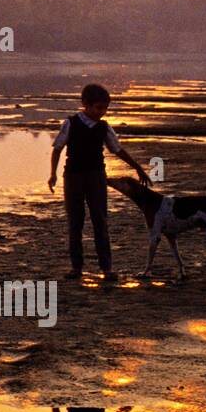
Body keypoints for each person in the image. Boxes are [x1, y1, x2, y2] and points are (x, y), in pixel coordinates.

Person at [48, 83, 150, 281]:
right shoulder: (70, 123)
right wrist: (52, 174)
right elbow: (57, 148)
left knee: (100, 221)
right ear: (85, 104)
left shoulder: (104, 127)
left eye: (104, 108)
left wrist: (137, 167)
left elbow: (117, 149)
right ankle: (76, 268)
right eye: (98, 108)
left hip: (96, 177)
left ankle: (106, 268)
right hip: (73, 177)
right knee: (75, 223)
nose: (101, 112)